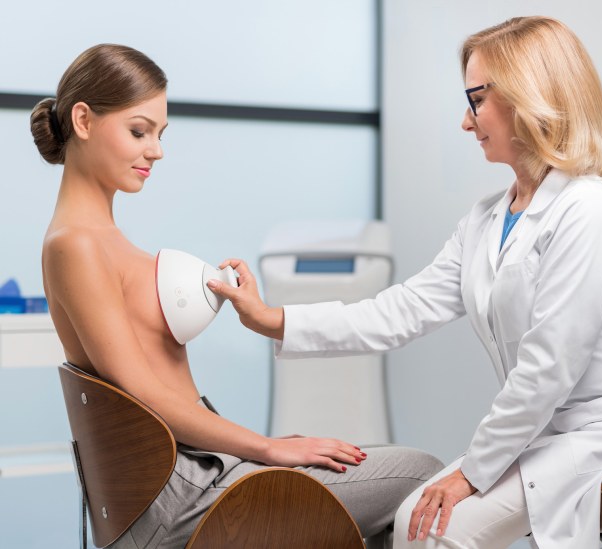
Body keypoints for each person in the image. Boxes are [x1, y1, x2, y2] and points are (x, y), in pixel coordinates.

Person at [207, 16, 602, 549]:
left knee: (438, 529)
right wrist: (270, 318)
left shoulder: (589, 209)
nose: (467, 122)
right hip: (549, 432)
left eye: (477, 100)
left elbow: (549, 365)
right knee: (417, 518)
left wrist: (471, 473)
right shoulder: (487, 219)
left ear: (529, 96)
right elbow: (401, 309)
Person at [33, 43, 442, 549]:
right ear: (83, 120)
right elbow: (143, 391)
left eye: (160, 134)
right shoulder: (75, 244)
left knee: (371, 493)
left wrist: (258, 447)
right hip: (177, 496)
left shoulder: (97, 238)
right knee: (423, 474)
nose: (156, 150)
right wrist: (266, 447)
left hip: (192, 476)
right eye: (139, 131)